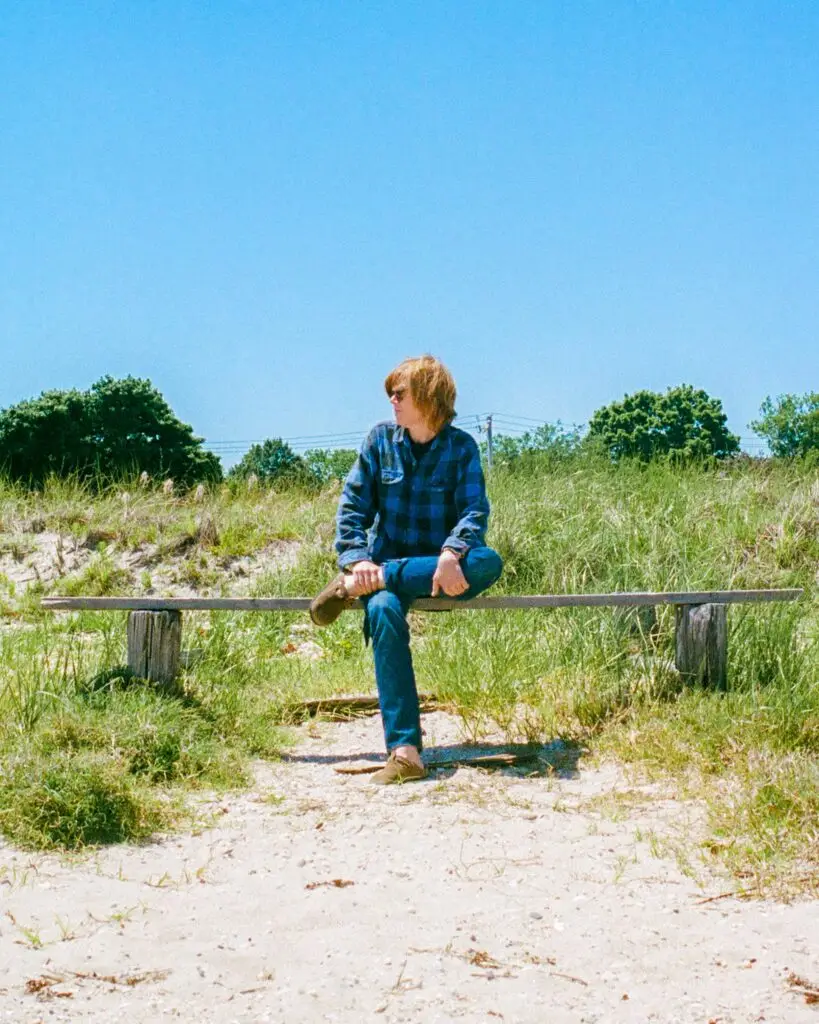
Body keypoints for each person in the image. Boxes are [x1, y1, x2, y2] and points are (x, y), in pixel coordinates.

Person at [309, 355, 503, 784]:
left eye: (400, 393)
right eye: (390, 394)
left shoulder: (461, 447)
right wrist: (359, 561)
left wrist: (452, 553)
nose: (392, 401)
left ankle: (362, 584)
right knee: (380, 610)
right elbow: (352, 510)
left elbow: (474, 512)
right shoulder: (379, 440)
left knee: (488, 561)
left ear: (428, 397)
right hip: (384, 569)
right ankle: (405, 752)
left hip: (442, 570)